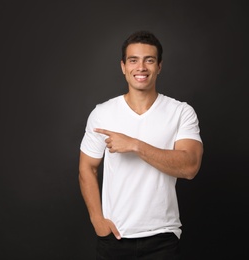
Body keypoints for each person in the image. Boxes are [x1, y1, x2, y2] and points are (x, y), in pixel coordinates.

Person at [78, 30, 203, 259]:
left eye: (149, 60)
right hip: (114, 236)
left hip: (162, 237)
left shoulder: (180, 112)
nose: (141, 67)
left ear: (159, 66)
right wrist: (97, 220)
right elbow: (87, 167)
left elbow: (190, 167)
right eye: (133, 60)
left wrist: (135, 145)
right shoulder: (103, 113)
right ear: (123, 66)